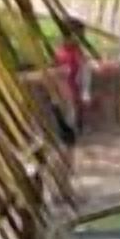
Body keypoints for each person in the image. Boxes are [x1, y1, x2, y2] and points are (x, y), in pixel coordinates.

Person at [50, 15, 91, 148]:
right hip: (62, 96)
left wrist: (84, 93)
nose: (81, 39)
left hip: (71, 95)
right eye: (79, 36)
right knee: (65, 128)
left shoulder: (77, 53)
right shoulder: (59, 52)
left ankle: (68, 147)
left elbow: (84, 72)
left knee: (70, 128)